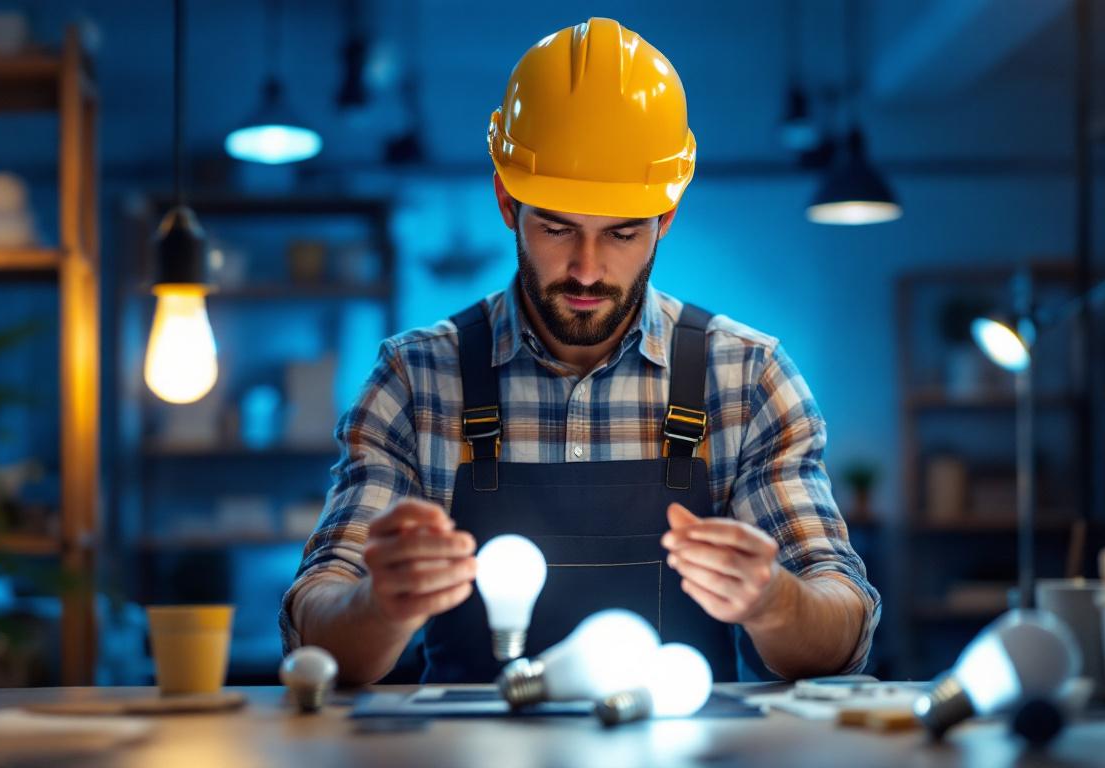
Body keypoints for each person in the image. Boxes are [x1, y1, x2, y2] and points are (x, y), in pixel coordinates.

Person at [279, 17, 880, 685]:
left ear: (666, 219)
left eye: (622, 234)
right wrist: (374, 603)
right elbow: (316, 634)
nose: (588, 270)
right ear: (509, 201)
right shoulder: (417, 380)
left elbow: (842, 630)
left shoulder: (744, 377)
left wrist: (775, 600)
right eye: (559, 227)